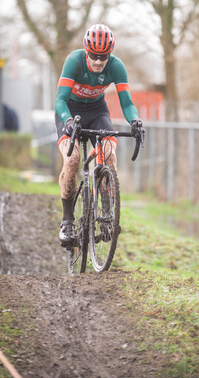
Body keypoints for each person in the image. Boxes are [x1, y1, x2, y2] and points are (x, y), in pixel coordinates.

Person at [55, 23, 143, 247]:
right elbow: (60, 100)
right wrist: (66, 121)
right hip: (70, 111)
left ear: (109, 55)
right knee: (73, 159)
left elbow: (127, 102)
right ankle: (67, 221)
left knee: (109, 155)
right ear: (86, 51)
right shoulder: (74, 61)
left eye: (103, 57)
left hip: (97, 112)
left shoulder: (116, 67)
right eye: (93, 55)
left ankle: (107, 214)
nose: (97, 61)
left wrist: (134, 121)